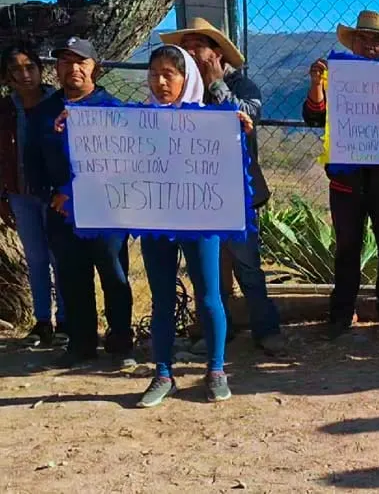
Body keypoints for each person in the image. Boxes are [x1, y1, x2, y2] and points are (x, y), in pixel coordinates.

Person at [119, 46, 253, 407]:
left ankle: (215, 370)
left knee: (209, 296)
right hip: (157, 221)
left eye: (170, 73)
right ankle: (163, 373)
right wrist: (75, 126)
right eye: (154, 74)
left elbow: (234, 145)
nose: (161, 82)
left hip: (200, 219)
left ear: (187, 77)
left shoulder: (210, 120)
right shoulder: (139, 121)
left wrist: (236, 128)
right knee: (162, 298)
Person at [160, 18, 285, 355]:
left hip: (237, 193)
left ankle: (266, 329)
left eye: (194, 47)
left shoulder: (244, 87)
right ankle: (217, 331)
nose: (189, 54)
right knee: (209, 269)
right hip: (195, 193)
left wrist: (216, 85)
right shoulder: (184, 92)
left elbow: (245, 118)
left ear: (215, 52)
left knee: (247, 265)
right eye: (184, 49)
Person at [302, 10, 379, 340]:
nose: (369, 46)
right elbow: (313, 115)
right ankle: (341, 314)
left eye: (377, 42)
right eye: (363, 40)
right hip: (345, 180)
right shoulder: (336, 78)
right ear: (353, 44)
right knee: (348, 247)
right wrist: (315, 83)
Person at [25, 37, 135, 369]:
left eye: (81, 62)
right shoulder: (43, 113)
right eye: (65, 62)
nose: (73, 68)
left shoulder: (113, 110)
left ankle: (120, 342)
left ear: (95, 68)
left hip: (107, 212)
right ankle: (81, 344)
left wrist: (77, 190)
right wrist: (51, 196)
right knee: (72, 277)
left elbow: (124, 164)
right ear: (56, 69)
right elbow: (32, 163)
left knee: (113, 275)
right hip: (61, 213)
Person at [0, 43, 66, 347]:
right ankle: (43, 321)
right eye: (17, 69)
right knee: (35, 258)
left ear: (41, 70)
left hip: (53, 193)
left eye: (30, 67)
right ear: (9, 76)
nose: (25, 75)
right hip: (19, 192)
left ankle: (66, 318)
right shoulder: (5, 109)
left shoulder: (57, 102)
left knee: (59, 256)